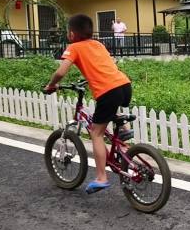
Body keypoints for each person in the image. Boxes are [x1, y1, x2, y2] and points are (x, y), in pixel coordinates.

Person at [44, 14, 132, 194]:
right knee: (111, 111)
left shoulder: (74, 47)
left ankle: (101, 177)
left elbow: (61, 72)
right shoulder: (98, 44)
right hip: (124, 85)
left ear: (72, 33)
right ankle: (124, 131)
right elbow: (105, 65)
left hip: (108, 91)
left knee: (96, 133)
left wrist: (52, 84)